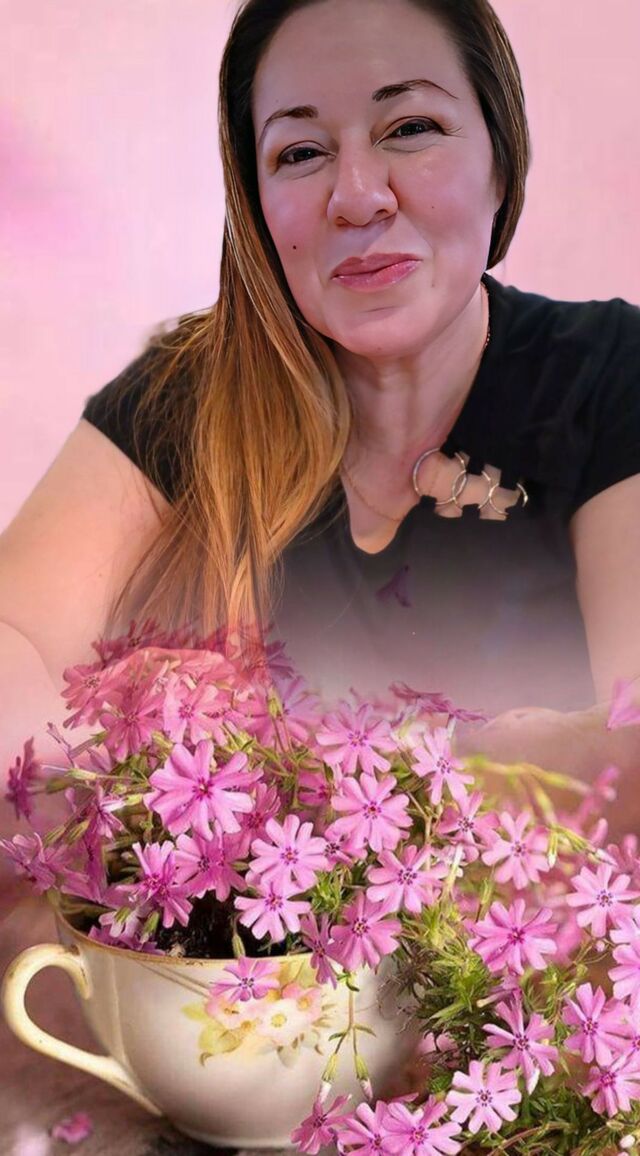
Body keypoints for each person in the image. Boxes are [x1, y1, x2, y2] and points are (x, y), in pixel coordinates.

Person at [0, 0, 639, 833]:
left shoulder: (610, 373)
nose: (358, 198)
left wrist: (309, 779)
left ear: (501, 156)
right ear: (256, 203)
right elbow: (13, 637)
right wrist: (112, 761)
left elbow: (628, 746)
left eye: (410, 128)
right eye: (300, 153)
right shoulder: (181, 395)